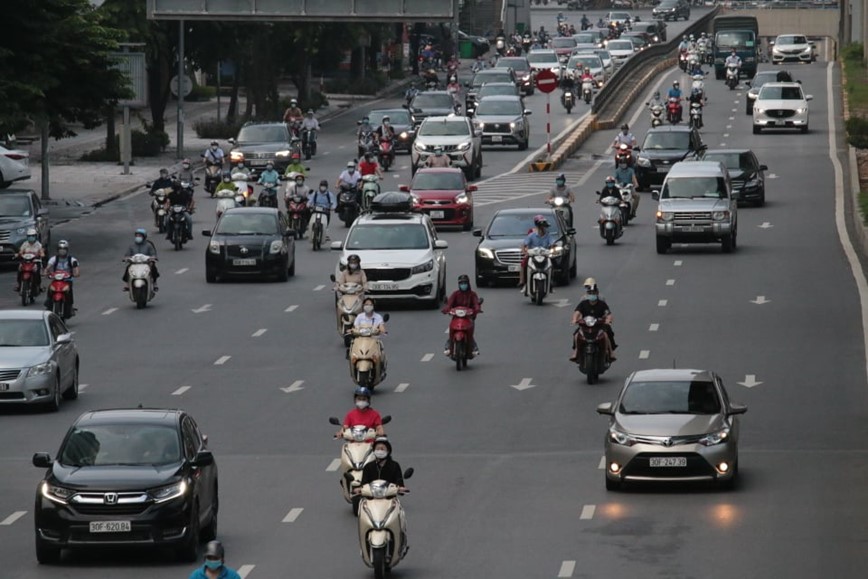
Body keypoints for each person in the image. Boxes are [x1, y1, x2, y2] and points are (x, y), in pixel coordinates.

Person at [570, 278, 616, 361]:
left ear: (597, 293)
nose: (592, 295)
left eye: (593, 293)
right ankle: (576, 351)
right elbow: (577, 312)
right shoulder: (583, 303)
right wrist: (574, 319)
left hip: (599, 324)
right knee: (576, 335)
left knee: (606, 334)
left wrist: (608, 320)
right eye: (590, 293)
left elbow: (608, 314)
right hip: (586, 324)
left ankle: (610, 352)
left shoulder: (602, 304)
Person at [442, 274, 482, 357]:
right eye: (461, 283)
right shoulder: (455, 294)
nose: (463, 285)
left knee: (470, 333)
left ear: (468, 284)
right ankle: (448, 347)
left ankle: (474, 347)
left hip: (469, 318)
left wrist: (477, 309)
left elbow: (476, 304)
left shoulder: (472, 294)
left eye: (465, 283)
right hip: (457, 317)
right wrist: (446, 309)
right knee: (451, 331)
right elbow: (449, 304)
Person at [518, 215, 556, 292]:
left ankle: (550, 282)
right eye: (541, 226)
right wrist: (525, 252)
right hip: (533, 256)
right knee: (524, 264)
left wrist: (553, 249)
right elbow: (524, 245)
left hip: (544, 255)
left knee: (552, 263)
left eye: (544, 226)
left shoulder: (548, 236)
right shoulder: (531, 235)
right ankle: (523, 282)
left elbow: (553, 244)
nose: (543, 228)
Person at [43, 240, 80, 311]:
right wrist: (45, 272)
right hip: (56, 279)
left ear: (67, 250)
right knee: (50, 288)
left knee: (69, 291)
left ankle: (70, 306)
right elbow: (48, 267)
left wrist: (76, 274)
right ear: (57, 250)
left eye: (64, 249)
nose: (62, 251)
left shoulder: (72, 259)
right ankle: (49, 302)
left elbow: (76, 270)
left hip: (67, 280)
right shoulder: (54, 259)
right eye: (60, 249)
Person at [14, 228, 44, 292]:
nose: (31, 237)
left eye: (33, 236)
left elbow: (42, 252)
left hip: (35, 262)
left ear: (35, 236)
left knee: (37, 273)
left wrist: (41, 254)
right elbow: (21, 251)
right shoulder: (25, 244)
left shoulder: (38, 245)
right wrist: (19, 254)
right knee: (20, 270)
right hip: (25, 262)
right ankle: (19, 285)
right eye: (29, 236)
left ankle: (38, 285)